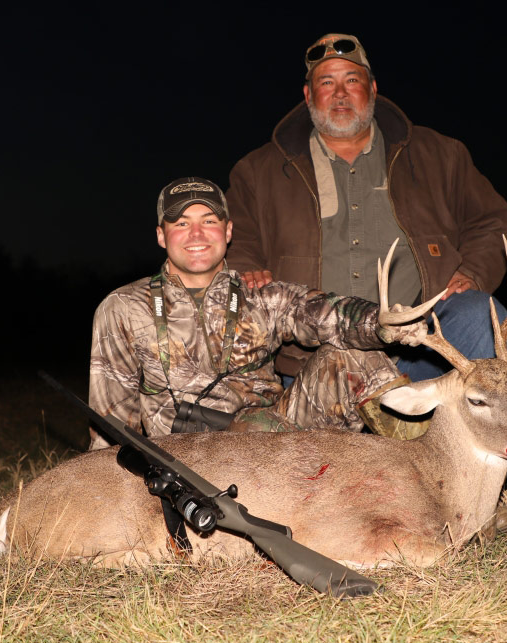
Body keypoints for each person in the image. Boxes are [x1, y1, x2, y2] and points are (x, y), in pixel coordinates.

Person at [226, 33, 507, 382]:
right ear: (308, 96)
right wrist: (246, 267)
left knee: (479, 314)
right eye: (326, 82)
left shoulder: (440, 155)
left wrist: (473, 271)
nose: (340, 93)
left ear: (373, 89)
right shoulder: (258, 171)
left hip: (422, 343)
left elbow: (493, 221)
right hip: (318, 361)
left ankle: (476, 432)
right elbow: (234, 236)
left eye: (352, 80)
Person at [88, 177, 429, 450]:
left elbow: (330, 313)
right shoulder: (124, 307)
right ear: (162, 236)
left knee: (354, 354)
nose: (196, 234)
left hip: (272, 441)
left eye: (209, 221)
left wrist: (381, 323)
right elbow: (112, 424)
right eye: (181, 223)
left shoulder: (264, 297)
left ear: (228, 231)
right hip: (185, 458)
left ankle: (426, 479)